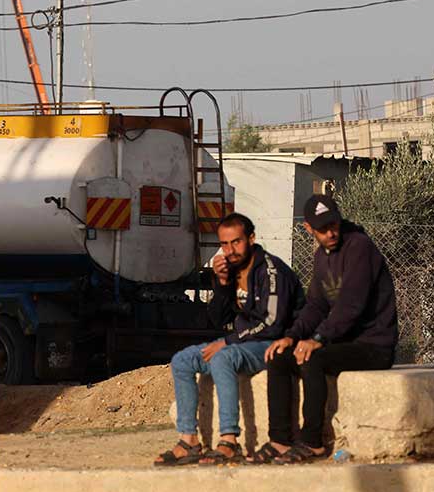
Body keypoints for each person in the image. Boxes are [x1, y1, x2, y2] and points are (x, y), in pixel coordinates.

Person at [254, 194, 398, 465]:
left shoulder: (360, 247)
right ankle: (280, 440)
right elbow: (316, 306)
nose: (331, 233)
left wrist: (318, 339)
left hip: (373, 346)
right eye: (322, 229)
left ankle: (312, 442)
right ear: (309, 229)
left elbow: (351, 305)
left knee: (314, 359)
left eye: (334, 224)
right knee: (279, 357)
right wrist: (292, 336)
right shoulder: (322, 256)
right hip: (344, 342)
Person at [154, 213, 304, 466]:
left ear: (251, 239)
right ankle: (189, 440)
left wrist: (229, 341)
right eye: (224, 244)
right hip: (245, 342)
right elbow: (216, 319)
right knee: (182, 360)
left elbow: (272, 322)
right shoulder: (231, 270)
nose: (230, 250)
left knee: (224, 357)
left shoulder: (271, 270)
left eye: (236, 242)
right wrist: (222, 283)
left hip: (275, 342)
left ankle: (229, 440)